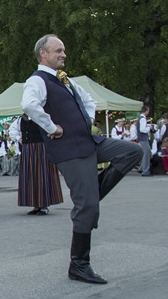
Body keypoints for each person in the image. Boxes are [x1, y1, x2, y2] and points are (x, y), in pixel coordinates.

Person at [22, 34, 142, 284]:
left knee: (132, 152)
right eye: (58, 50)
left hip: (90, 143)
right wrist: (52, 127)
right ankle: (79, 264)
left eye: (64, 50)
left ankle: (93, 191)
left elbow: (88, 101)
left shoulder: (66, 80)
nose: (63, 54)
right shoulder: (37, 80)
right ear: (43, 54)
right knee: (87, 207)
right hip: (69, 152)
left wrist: (85, 122)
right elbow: (30, 106)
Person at [9, 114, 63, 215]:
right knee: (30, 177)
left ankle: (44, 205)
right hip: (27, 149)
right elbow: (12, 130)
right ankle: (35, 205)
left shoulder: (42, 116)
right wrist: (18, 138)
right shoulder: (21, 119)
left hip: (42, 148)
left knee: (42, 176)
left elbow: (53, 127)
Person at [136, 105, 152, 176]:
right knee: (147, 154)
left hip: (141, 138)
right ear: (146, 111)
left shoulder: (140, 118)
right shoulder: (143, 118)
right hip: (143, 138)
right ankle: (145, 171)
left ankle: (141, 168)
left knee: (146, 153)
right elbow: (142, 129)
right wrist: (149, 128)